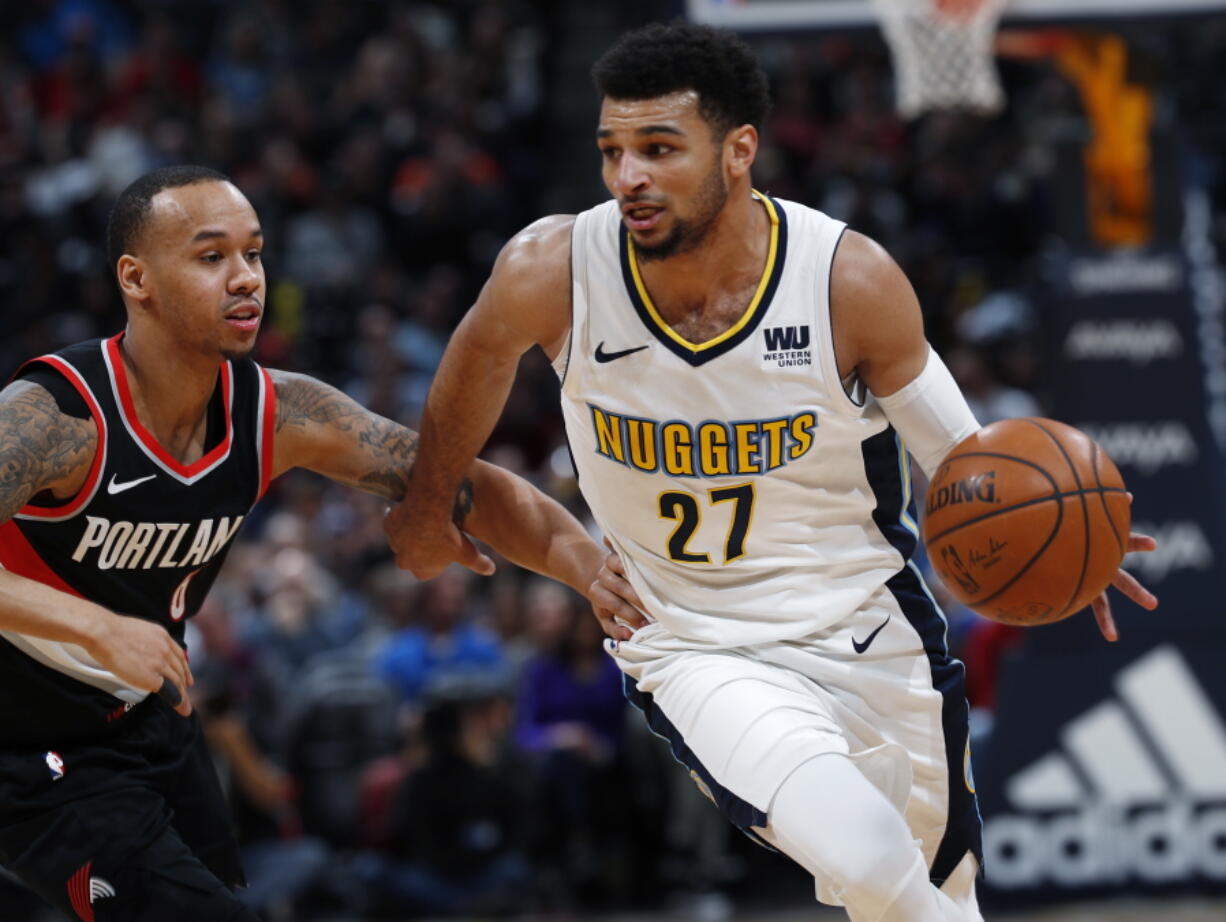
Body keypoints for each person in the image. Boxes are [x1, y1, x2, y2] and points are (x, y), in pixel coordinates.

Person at [386, 22, 1160, 922]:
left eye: (659, 149)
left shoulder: (847, 281)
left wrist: (1073, 541)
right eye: (612, 151)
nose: (627, 176)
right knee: (867, 863)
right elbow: (472, 364)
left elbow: (965, 462)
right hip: (697, 642)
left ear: (740, 150)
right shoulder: (552, 271)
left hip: (873, 631)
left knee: (929, 895)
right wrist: (427, 500)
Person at [0, 164, 608, 922]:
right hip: (27, 740)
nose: (245, 277)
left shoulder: (280, 413)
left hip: (146, 723)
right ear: (137, 278)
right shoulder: (57, 416)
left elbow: (459, 482)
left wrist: (592, 571)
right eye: (211, 256)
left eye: (253, 253)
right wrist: (95, 624)